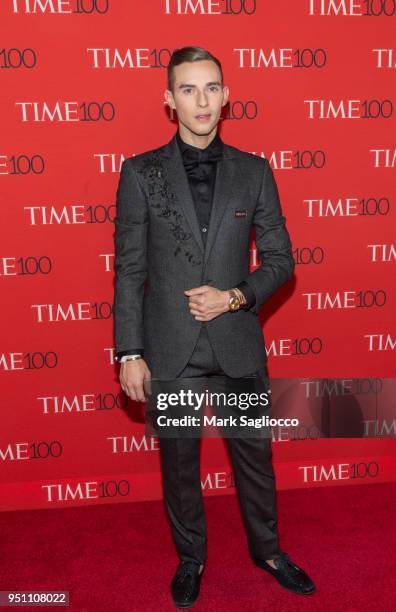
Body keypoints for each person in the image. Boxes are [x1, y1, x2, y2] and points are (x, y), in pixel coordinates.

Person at [113, 46, 316, 608]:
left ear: (226, 97)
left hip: (237, 343)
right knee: (179, 463)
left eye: (211, 88)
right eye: (187, 89)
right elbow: (129, 268)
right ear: (169, 100)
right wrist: (129, 351)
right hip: (170, 349)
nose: (201, 100)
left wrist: (234, 296)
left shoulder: (255, 171)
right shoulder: (140, 172)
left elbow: (280, 260)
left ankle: (269, 552)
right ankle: (191, 559)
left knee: (254, 456)